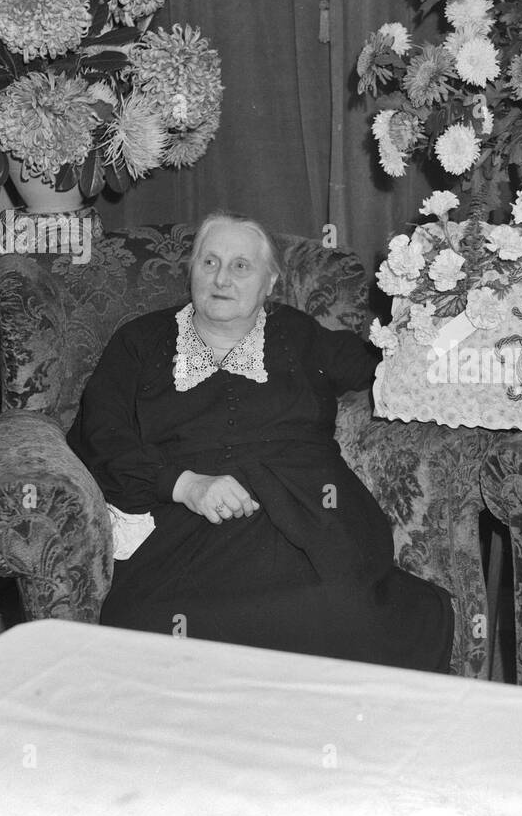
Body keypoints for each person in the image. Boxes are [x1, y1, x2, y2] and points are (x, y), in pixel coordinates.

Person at [67, 210, 454, 673]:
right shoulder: (140, 342)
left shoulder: (297, 334)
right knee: (149, 629)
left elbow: (387, 363)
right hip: (188, 519)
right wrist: (185, 485)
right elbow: (100, 437)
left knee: (346, 614)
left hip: (307, 512)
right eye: (209, 262)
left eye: (240, 266)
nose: (221, 278)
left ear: (269, 282)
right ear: (191, 271)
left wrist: (444, 313)